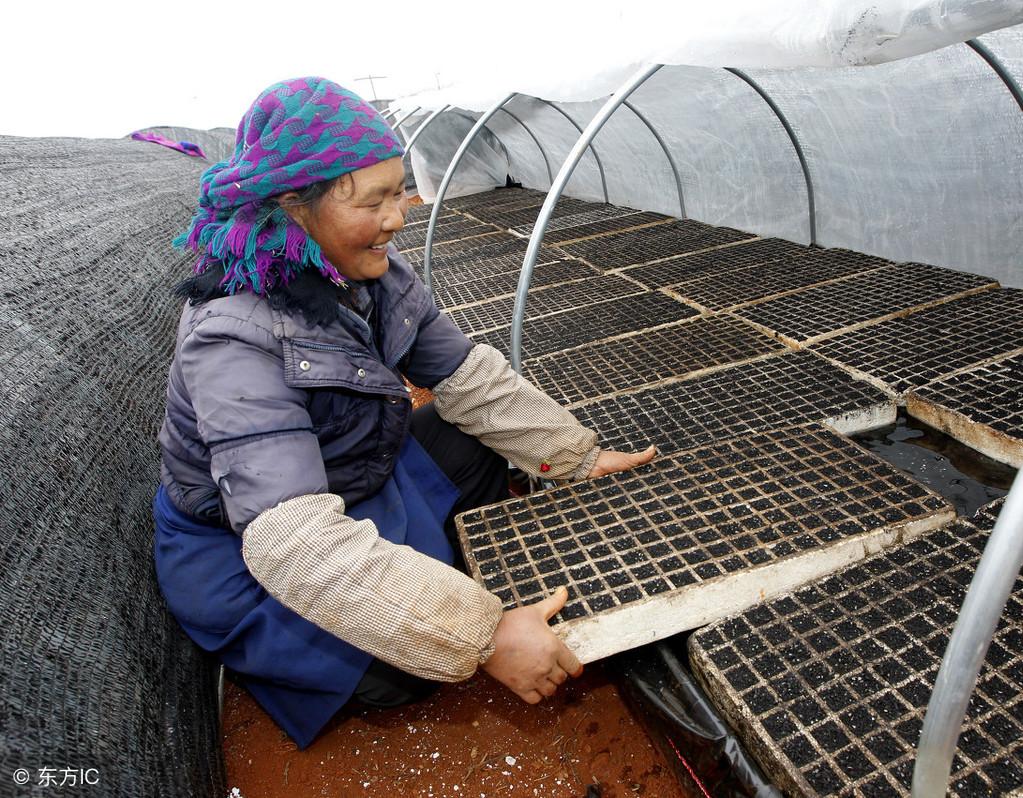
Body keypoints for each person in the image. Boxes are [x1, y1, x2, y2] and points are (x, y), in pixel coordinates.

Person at [152, 76, 655, 749]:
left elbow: (467, 377)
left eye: (400, 192)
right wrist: (485, 637)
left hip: (351, 472)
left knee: (477, 437)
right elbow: (294, 543)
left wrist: (577, 458)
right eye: (374, 200)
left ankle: (437, 579)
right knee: (406, 673)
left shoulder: (372, 273)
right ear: (293, 207)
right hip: (249, 543)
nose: (398, 216)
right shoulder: (231, 336)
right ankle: (436, 602)